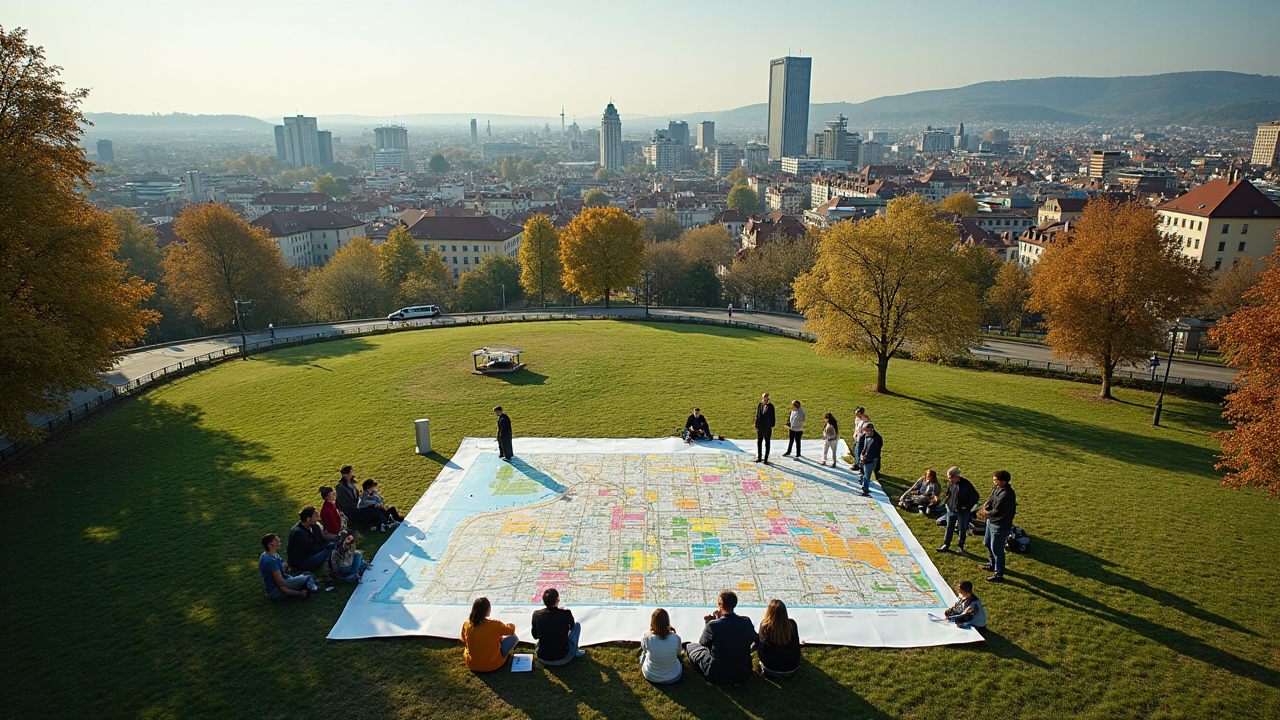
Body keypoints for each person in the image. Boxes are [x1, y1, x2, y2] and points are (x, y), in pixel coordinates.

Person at [685, 590, 758, 686]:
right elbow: (756, 638)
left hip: (717, 675)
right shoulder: (746, 621)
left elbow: (703, 642)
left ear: (720, 605)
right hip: (743, 674)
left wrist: (708, 623)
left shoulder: (713, 625)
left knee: (691, 648)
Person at [461, 597, 520, 672]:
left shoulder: (466, 624)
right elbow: (511, 631)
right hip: (494, 664)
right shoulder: (495, 625)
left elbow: (464, 640)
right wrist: (510, 624)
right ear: (488, 610)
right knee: (514, 638)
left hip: (473, 664)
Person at [531, 588, 586, 666]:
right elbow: (572, 626)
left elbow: (535, 636)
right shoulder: (566, 613)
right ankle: (576, 652)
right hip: (563, 658)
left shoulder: (536, 614)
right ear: (557, 600)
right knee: (577, 625)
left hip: (542, 657)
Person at [979, 470, 1017, 582]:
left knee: (997, 550)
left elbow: (997, 511)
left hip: (1000, 525)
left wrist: (985, 513)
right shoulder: (997, 488)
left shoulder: (1007, 495)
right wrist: (986, 505)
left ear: (1003, 481)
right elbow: (991, 500)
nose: (994, 481)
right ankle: (992, 564)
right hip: (991, 522)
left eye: (996, 479)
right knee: (986, 542)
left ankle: (999, 573)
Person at [259, 533, 317, 600]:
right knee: (309, 576)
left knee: (306, 574)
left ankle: (308, 587)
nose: (279, 540)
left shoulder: (271, 555)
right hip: (276, 591)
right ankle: (312, 589)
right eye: (275, 540)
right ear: (270, 544)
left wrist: (285, 567)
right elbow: (281, 584)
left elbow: (282, 565)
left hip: (284, 582)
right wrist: (298, 592)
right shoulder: (270, 561)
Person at [754, 599, 801, 678]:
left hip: (770, 668)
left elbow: (761, 648)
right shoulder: (792, 624)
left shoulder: (765, 626)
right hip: (792, 667)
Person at [937, 467, 979, 554]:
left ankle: (961, 546)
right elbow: (949, 493)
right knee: (949, 527)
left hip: (962, 512)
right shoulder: (952, 483)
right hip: (951, 510)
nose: (949, 480)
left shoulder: (966, 485)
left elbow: (975, 497)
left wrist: (967, 507)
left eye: (950, 477)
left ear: (956, 476)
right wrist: (948, 503)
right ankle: (946, 544)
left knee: (962, 529)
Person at [640, 608, 683, 685]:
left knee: (645, 652)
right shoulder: (675, 638)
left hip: (650, 676)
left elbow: (643, 647)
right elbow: (679, 652)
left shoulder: (647, 637)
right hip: (673, 676)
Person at [336, 465, 385, 532]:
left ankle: (384, 521)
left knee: (375, 506)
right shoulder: (340, 487)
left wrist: (359, 495)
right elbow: (344, 503)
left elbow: (354, 495)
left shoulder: (352, 482)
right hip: (350, 510)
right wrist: (358, 505)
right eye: (351, 471)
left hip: (357, 506)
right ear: (345, 475)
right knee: (372, 509)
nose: (353, 473)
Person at [286, 506, 336, 572]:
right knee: (330, 551)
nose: (317, 516)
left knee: (335, 545)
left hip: (312, 553)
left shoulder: (313, 526)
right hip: (302, 562)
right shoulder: (298, 533)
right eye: (315, 515)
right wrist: (326, 547)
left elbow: (319, 539)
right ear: (308, 519)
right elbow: (311, 549)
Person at [857, 423, 882, 496]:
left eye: (867, 430)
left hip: (871, 460)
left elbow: (876, 451)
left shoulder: (877, 438)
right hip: (864, 458)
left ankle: (865, 489)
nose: (866, 432)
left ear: (871, 429)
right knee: (864, 472)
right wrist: (862, 455)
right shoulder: (866, 436)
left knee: (867, 475)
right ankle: (863, 484)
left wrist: (866, 458)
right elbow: (864, 447)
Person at [753, 393, 775, 465]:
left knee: (767, 442)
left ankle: (766, 459)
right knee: (759, 442)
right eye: (764, 397)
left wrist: (771, 425)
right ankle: (759, 457)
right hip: (760, 427)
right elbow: (757, 415)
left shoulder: (770, 406)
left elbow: (772, 416)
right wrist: (756, 425)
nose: (765, 398)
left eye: (766, 397)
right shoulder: (760, 405)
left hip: (767, 427)